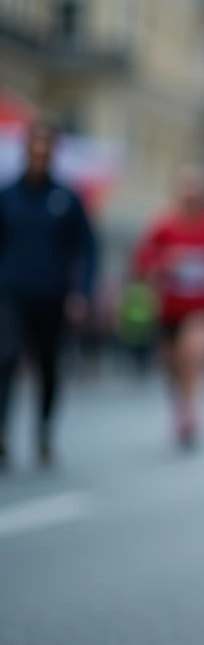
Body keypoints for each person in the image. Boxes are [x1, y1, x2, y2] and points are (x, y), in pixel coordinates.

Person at [0, 120, 96, 468]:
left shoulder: (67, 198)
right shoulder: (7, 196)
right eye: (34, 147)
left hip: (53, 295)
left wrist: (82, 292)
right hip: (10, 292)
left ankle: (43, 432)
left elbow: (87, 248)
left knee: (48, 366)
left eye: (46, 147)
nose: (40, 153)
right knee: (6, 357)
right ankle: (2, 431)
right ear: (26, 150)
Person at [133, 166, 204, 449]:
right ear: (177, 191)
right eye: (186, 187)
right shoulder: (162, 223)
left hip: (201, 306)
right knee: (172, 365)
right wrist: (165, 263)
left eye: (196, 188)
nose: (191, 194)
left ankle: (191, 410)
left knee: (194, 354)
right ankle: (180, 404)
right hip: (168, 308)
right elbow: (142, 261)